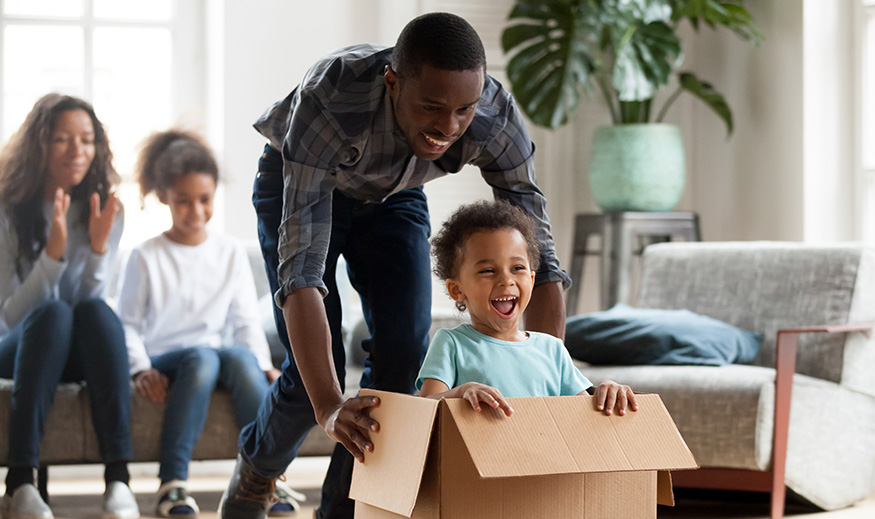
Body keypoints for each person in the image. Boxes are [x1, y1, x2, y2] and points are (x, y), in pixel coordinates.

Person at [219, 12, 569, 519]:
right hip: (303, 185)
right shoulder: (331, 101)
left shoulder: (494, 116)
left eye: (462, 111)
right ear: (392, 83)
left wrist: (548, 389)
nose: (448, 127)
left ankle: (345, 510)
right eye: (431, 107)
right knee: (315, 377)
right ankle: (257, 471)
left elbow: (540, 253)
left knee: (404, 355)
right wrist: (330, 407)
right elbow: (302, 275)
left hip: (394, 196)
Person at [116, 130, 304, 518]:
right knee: (203, 357)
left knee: (237, 357)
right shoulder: (144, 256)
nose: (196, 211)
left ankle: (266, 479)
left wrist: (261, 364)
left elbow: (244, 320)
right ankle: (173, 486)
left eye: (204, 200)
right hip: (168, 357)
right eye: (183, 201)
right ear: (165, 196)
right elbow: (128, 325)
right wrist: (140, 369)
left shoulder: (230, 251)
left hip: (216, 357)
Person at [0, 93, 139, 519]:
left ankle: (119, 479)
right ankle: (20, 482)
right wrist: (53, 257)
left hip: (75, 347)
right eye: (62, 139)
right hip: (17, 348)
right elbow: (10, 316)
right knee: (53, 313)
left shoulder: (105, 211)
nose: (77, 151)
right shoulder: (8, 210)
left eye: (86, 139)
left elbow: (89, 310)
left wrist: (97, 251)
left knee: (97, 313)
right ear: (39, 144)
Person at [417, 200, 637, 416]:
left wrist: (607, 389)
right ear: (457, 290)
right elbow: (424, 409)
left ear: (531, 280)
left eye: (517, 268)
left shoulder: (552, 350)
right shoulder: (452, 344)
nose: (506, 280)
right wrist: (460, 392)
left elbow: (581, 415)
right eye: (488, 271)